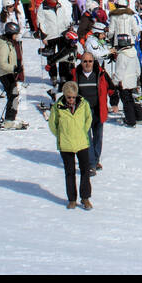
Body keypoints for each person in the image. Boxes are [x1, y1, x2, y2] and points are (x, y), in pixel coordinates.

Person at [48, 80, 93, 209]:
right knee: (69, 172)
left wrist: (82, 131)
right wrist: (61, 135)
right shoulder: (58, 107)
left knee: (85, 171)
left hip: (81, 143)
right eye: (69, 97)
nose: (71, 100)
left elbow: (88, 119)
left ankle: (85, 198)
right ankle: (72, 199)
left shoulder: (84, 105)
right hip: (66, 144)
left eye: (73, 97)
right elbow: (53, 124)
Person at [74, 51, 106, 175]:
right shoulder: (76, 74)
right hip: (84, 111)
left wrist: (114, 102)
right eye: (85, 61)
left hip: (98, 109)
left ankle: (96, 160)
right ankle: (91, 164)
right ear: (81, 62)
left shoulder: (100, 73)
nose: (87, 64)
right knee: (87, 137)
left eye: (90, 61)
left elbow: (110, 87)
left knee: (98, 137)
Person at [37, 0, 74, 87]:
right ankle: (53, 76)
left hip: (62, 34)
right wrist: (43, 36)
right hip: (50, 35)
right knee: (51, 56)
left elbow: (64, 18)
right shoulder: (43, 8)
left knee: (63, 55)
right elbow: (40, 22)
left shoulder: (60, 6)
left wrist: (68, 26)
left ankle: (63, 75)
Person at [109, 33, 142, 127]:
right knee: (133, 99)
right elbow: (138, 68)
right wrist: (136, 78)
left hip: (123, 82)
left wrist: (115, 82)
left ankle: (130, 120)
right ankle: (140, 117)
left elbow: (119, 71)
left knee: (127, 101)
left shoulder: (122, 56)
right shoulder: (133, 53)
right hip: (133, 80)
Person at [0, 22, 24, 128]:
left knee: (14, 95)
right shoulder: (3, 45)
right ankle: (9, 120)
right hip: (5, 73)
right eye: (15, 34)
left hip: (9, 72)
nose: (17, 36)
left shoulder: (9, 42)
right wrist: (14, 68)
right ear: (10, 33)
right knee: (13, 95)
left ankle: (11, 117)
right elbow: (2, 64)